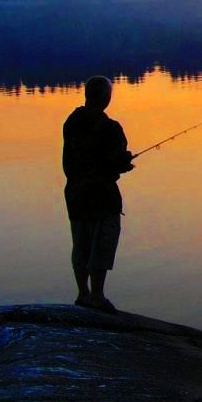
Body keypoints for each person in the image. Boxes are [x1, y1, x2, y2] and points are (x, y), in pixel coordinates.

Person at [62, 75, 134, 314]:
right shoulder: (111, 129)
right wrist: (125, 162)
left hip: (75, 194)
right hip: (102, 196)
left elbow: (81, 158)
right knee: (101, 244)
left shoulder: (71, 122)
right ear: (105, 98)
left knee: (80, 244)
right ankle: (97, 296)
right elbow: (115, 163)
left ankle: (83, 294)